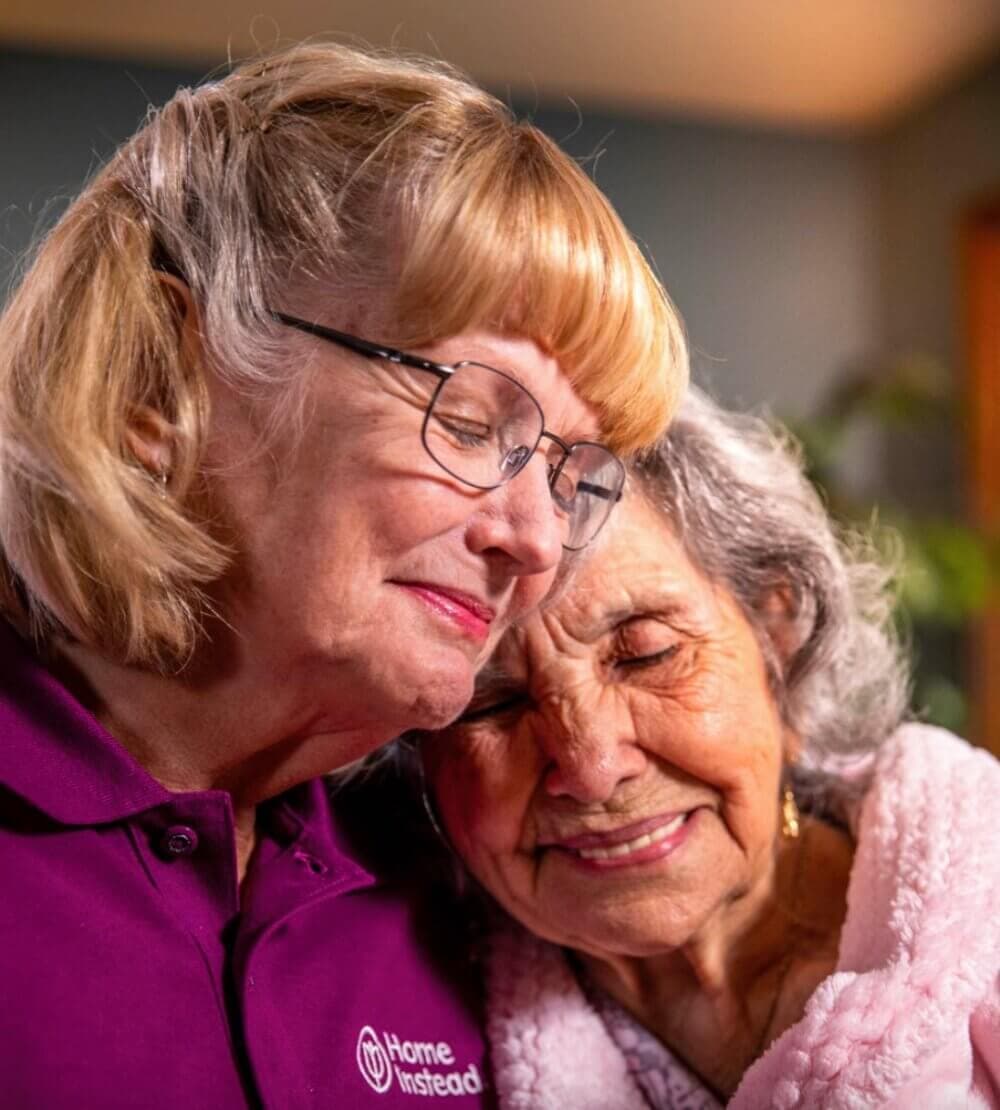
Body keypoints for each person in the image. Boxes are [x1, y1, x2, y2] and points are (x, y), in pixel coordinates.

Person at [0, 42, 688, 1108]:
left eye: (570, 475)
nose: (537, 541)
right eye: (469, 421)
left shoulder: (476, 887)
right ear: (157, 379)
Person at [416, 388, 1000, 1108]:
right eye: (492, 702)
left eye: (647, 655)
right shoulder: (412, 1016)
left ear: (777, 647)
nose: (592, 767)